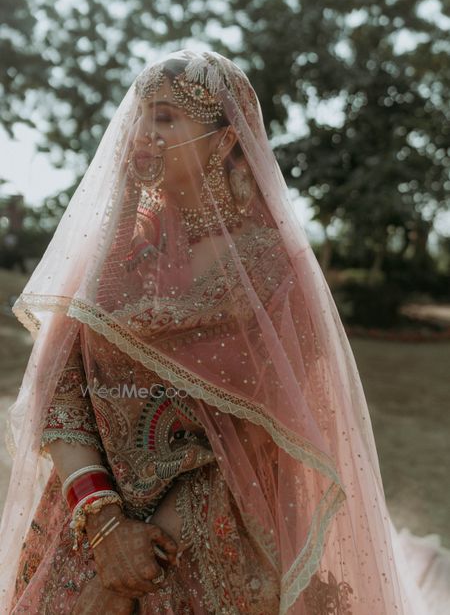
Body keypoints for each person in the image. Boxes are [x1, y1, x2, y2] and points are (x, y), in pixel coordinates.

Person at [0, 49, 448, 614]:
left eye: (166, 118)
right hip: (87, 525)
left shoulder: (272, 270)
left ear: (228, 138)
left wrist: (133, 564)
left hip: (213, 534)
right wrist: (105, 525)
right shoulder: (108, 255)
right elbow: (58, 391)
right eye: (140, 115)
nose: (143, 133)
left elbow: (257, 435)